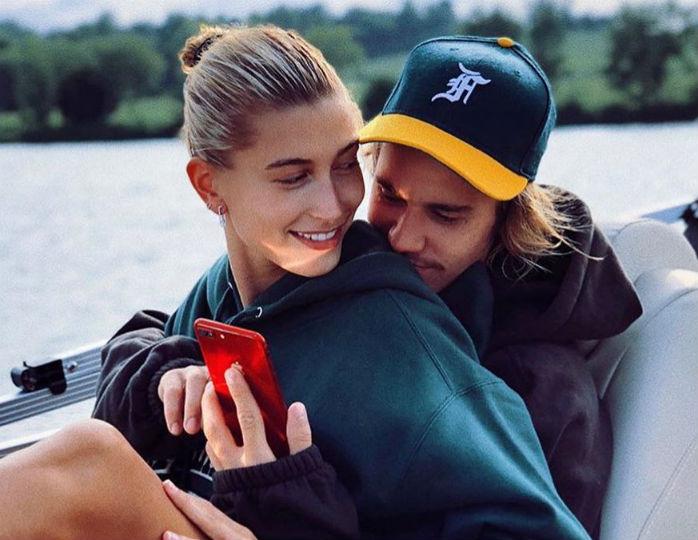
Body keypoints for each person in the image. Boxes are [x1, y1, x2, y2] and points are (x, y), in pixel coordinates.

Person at [0, 26, 589, 540]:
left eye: (342, 165)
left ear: (504, 224)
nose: (334, 206)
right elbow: (139, 375)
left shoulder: (412, 351)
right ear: (208, 186)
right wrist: (163, 376)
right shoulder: (226, 289)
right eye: (293, 177)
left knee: (89, 465)